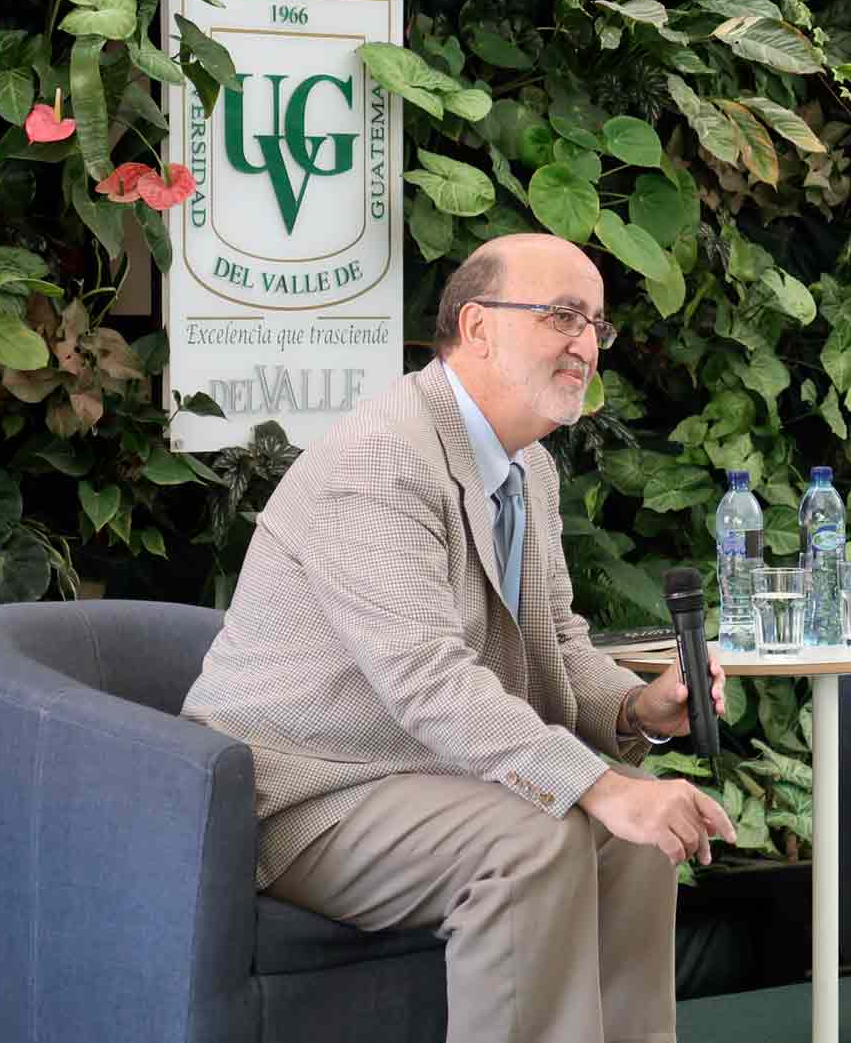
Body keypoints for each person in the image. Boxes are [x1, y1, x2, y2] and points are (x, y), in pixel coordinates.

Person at [183, 233, 735, 1043]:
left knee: (639, 842)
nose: (586, 344)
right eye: (562, 316)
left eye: (596, 325)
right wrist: (601, 787)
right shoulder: (381, 457)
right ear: (477, 327)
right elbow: (429, 679)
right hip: (313, 789)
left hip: (432, 772)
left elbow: (557, 641)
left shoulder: (530, 468)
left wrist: (636, 710)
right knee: (536, 838)